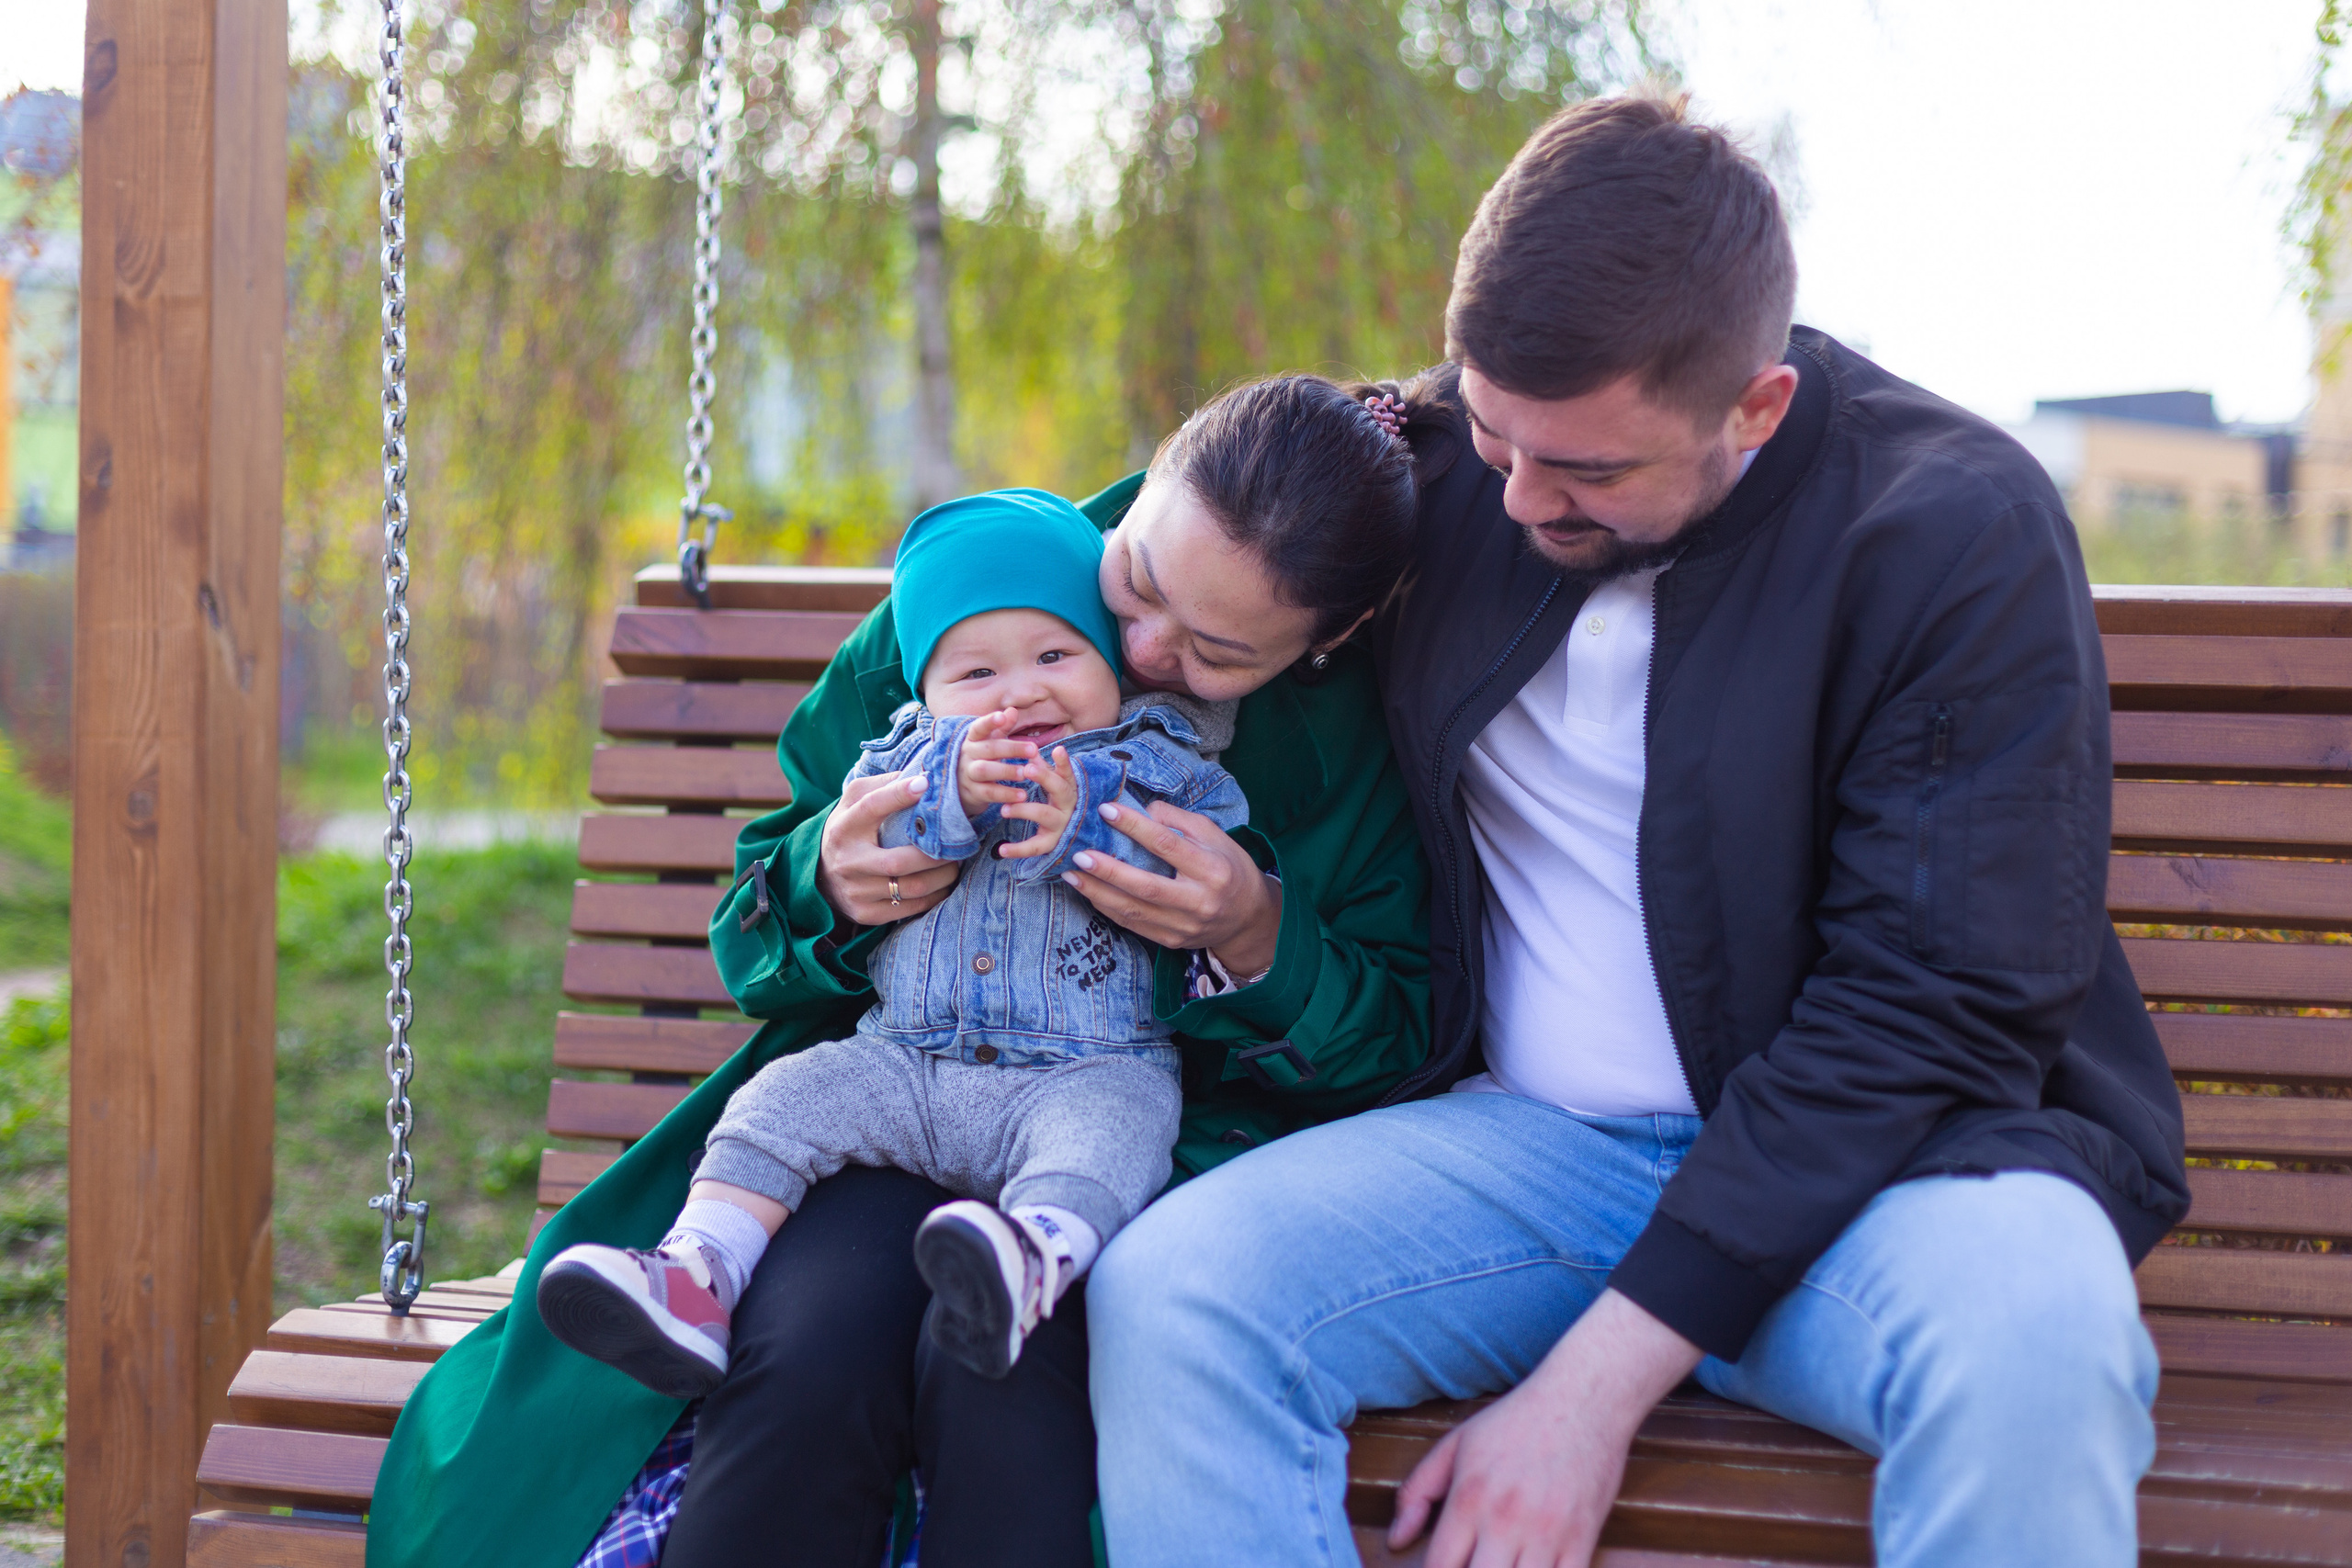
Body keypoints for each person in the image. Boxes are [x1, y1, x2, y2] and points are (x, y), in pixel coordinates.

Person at [1088, 94, 2190, 1568]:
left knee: (2039, 1340)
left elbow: (1935, 1005)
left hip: (1887, 1179)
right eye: (1492, 436)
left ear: (1756, 405)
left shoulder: (1949, 529)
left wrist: (1588, 1392)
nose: (1519, 496)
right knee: (1177, 1291)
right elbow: (1170, 536)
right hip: (1527, 1153)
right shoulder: (1445, 467)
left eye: (1591, 473)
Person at [365, 372, 1443, 1568]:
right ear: (1151, 484)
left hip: (1148, 1144)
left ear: (1322, 641)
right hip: (902, 1093)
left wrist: (1254, 933)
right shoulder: (988, 587)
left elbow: (1406, 1032)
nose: (1141, 647)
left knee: (1003, 1366)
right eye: (1137, 581)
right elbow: (755, 917)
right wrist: (831, 877)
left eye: (1216, 650)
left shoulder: (1356, 729)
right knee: (811, 1337)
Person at [536, 490, 1247, 1393]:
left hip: (1084, 1070)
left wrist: (1094, 817)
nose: (1022, 690)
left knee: (1120, 1130)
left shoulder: (1159, 755)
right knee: (785, 1098)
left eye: (1056, 655)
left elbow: (1212, 839)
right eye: (975, 677)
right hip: (908, 1061)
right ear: (925, 695)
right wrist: (950, 790)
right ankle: (698, 1269)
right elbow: (887, 834)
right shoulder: (906, 754)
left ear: (1113, 667)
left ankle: (1030, 1258)